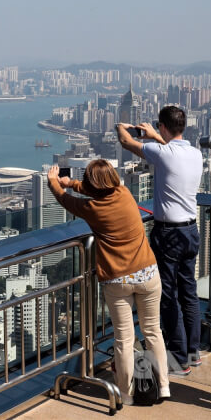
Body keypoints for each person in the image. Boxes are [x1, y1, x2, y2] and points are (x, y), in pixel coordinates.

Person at [46, 161, 170, 405]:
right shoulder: (124, 193)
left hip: (118, 278)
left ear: (92, 186)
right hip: (148, 273)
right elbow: (98, 188)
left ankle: (126, 393)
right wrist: (71, 183)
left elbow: (64, 200)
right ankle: (164, 385)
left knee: (123, 339)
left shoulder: (92, 208)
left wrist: (55, 182)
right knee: (153, 331)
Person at [117, 106, 203, 375]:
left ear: (163, 126)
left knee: (167, 295)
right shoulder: (195, 153)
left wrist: (123, 126)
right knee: (189, 293)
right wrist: (155, 135)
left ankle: (178, 358)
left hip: (169, 234)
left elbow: (126, 142)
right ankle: (193, 351)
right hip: (191, 231)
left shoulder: (162, 152)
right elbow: (171, 150)